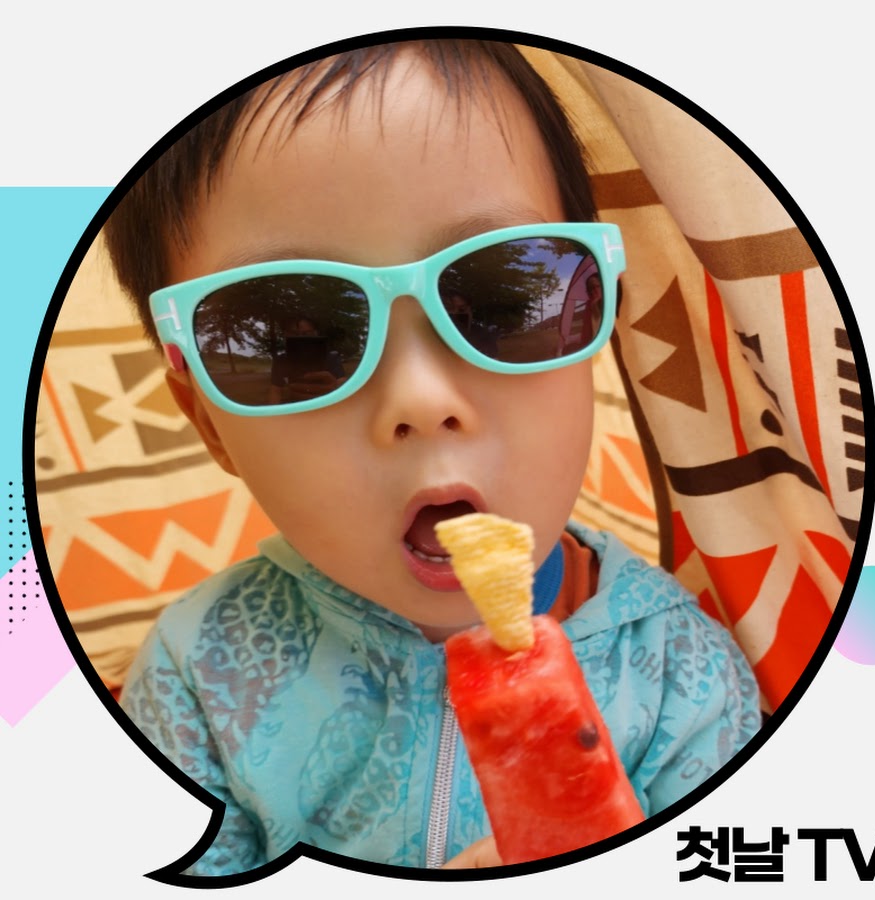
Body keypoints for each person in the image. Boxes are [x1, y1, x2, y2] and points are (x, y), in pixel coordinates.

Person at [105, 39, 760, 876]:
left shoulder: (681, 678)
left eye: (503, 298)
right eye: (295, 338)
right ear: (207, 422)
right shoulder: (196, 679)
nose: (420, 399)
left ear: (594, 320)